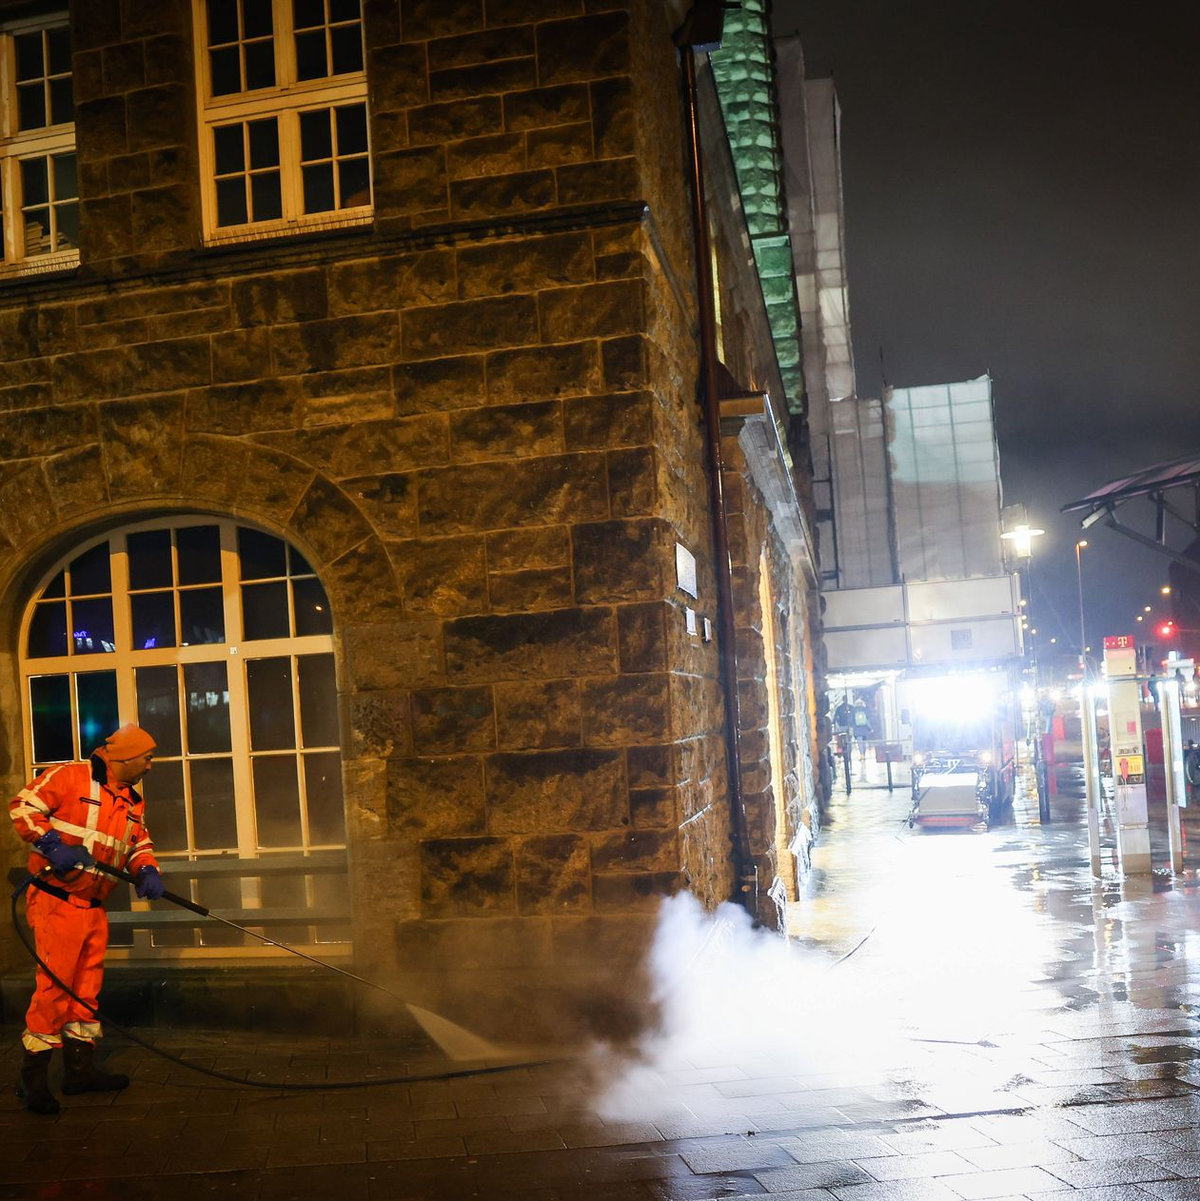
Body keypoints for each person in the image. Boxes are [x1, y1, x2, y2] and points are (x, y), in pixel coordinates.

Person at [9, 723, 164, 1115]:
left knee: (86, 988)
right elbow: (23, 807)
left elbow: (136, 842)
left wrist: (146, 868)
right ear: (126, 757)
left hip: (93, 908)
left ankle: (79, 1072)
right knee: (55, 988)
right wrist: (50, 845)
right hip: (56, 901)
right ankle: (34, 1079)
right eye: (147, 757)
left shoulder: (130, 800)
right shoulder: (70, 776)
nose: (150, 765)